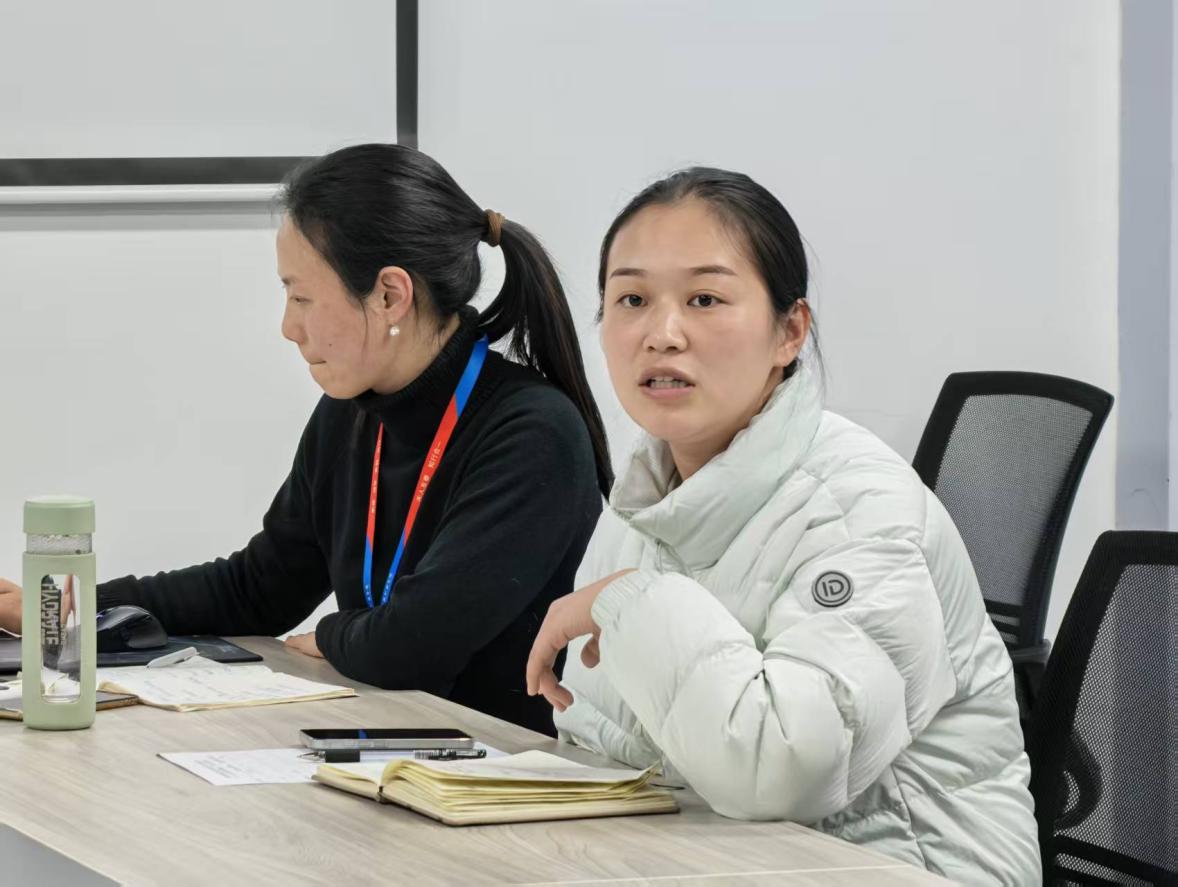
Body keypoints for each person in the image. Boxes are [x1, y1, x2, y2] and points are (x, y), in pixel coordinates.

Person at [525, 167, 1041, 883]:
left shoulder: (861, 509)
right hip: (710, 862)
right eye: (632, 299)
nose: (661, 334)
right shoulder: (646, 499)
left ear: (789, 331)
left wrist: (632, 601)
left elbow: (783, 770)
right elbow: (599, 738)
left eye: (705, 299)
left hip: (895, 869)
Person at [0, 144, 609, 736]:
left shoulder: (533, 433)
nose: (288, 326)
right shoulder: (353, 413)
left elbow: (412, 646)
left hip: (498, 776)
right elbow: (259, 588)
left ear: (390, 295)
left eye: (301, 296)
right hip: (383, 748)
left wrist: (331, 634)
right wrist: (73, 609)